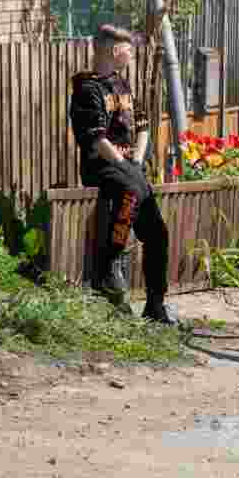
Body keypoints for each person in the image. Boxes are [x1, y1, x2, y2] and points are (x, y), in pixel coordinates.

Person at [68, 24, 176, 324]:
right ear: (115, 51)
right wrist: (123, 165)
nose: (131, 53)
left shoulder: (122, 86)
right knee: (132, 191)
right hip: (103, 168)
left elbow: (142, 126)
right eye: (128, 48)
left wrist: (137, 162)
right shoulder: (86, 90)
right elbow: (97, 139)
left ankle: (156, 304)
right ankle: (111, 262)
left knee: (158, 232)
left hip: (129, 169)